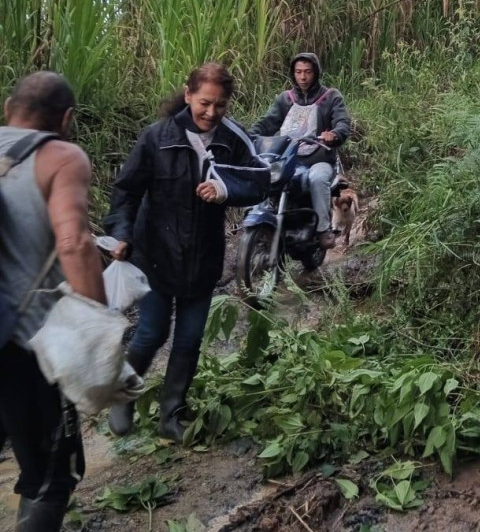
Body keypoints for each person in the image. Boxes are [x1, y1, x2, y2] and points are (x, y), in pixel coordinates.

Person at [104, 63, 268, 442]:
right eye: (205, 103)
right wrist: (122, 234)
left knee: (190, 339)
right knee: (150, 334)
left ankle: (171, 415)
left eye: (221, 106)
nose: (211, 113)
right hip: (155, 254)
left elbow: (261, 181)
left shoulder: (233, 139)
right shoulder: (157, 138)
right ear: (189, 93)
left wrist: (227, 191)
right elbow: (126, 192)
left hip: (202, 258)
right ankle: (123, 396)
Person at [0, 72, 107, 531]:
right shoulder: (60, 156)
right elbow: (75, 243)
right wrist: (99, 333)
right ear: (66, 119)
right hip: (25, 348)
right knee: (49, 477)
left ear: (9, 107)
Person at [250, 52, 351, 252]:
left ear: (316, 73)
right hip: (288, 158)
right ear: (293, 74)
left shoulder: (330, 97)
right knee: (266, 175)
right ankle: (263, 215)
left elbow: (342, 122)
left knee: (317, 178)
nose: (303, 77)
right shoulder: (285, 99)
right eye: (298, 72)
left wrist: (335, 133)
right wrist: (248, 135)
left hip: (319, 158)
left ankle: (323, 229)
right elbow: (267, 122)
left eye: (307, 72)